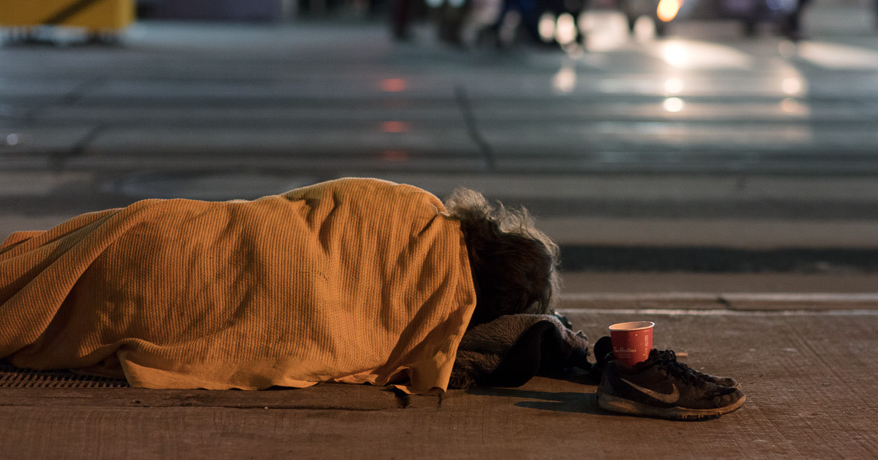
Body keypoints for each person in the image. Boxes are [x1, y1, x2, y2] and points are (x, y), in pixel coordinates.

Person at [0, 178, 559, 393]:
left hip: (176, 229)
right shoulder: (442, 317)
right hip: (192, 295)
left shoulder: (418, 207)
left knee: (41, 262)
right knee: (70, 305)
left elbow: (306, 204)